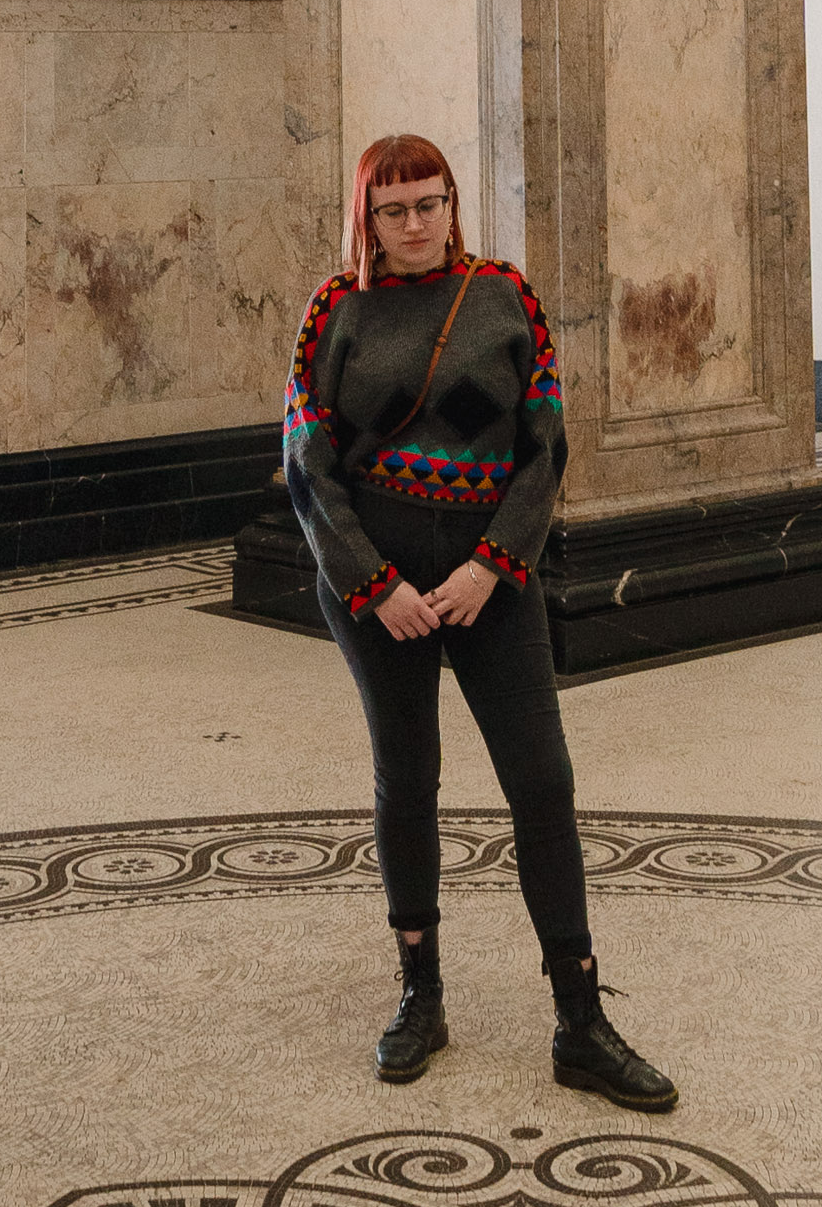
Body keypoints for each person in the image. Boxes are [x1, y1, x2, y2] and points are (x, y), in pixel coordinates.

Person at [285, 131, 675, 1112]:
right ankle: (420, 993)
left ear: (454, 205)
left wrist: (491, 564)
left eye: (432, 203)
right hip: (378, 594)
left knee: (541, 778)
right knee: (406, 775)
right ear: (365, 217)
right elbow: (306, 458)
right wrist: (372, 583)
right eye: (396, 208)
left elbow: (544, 445)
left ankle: (580, 1017)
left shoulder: (505, 295)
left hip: (488, 582)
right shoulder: (336, 309)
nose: (417, 224)